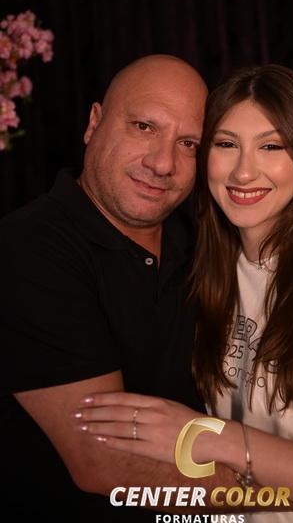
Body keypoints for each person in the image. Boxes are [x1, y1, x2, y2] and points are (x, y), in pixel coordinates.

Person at [76, 64, 293, 522]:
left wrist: (211, 436)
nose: (244, 172)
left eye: (271, 146)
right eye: (226, 144)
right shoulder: (207, 271)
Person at [0, 54, 211, 520]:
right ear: (93, 123)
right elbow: (109, 464)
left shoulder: (200, 245)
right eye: (143, 127)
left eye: (188, 144)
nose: (162, 163)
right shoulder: (26, 248)